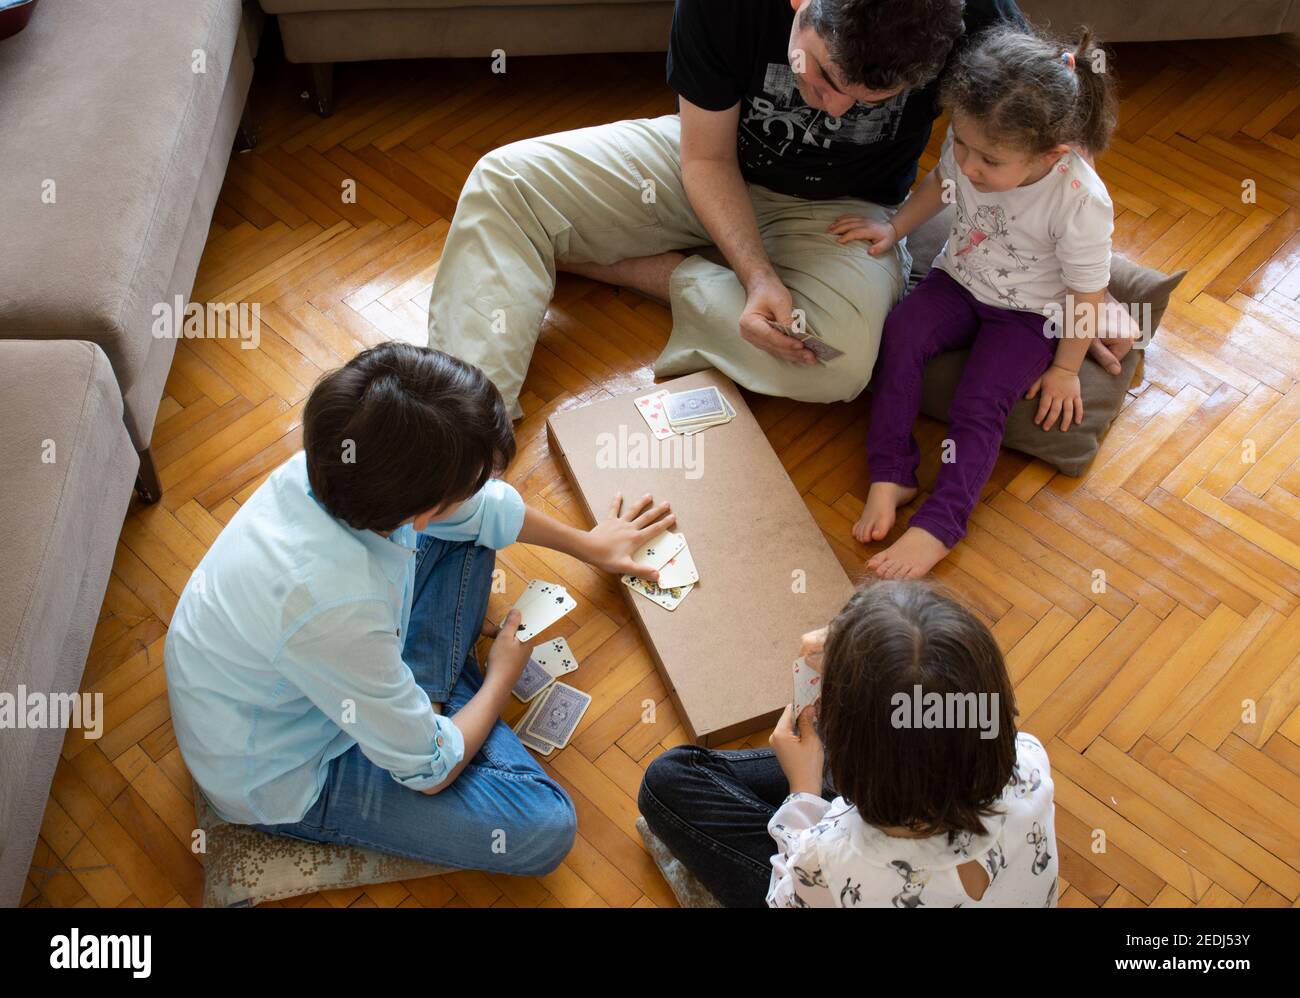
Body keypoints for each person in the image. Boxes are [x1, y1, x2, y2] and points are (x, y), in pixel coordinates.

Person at [164, 341, 675, 876]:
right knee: (542, 828)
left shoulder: (339, 463)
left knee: (477, 535)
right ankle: (430, 703)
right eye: (461, 490)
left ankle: (424, 701)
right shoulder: (338, 609)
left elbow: (482, 513)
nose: (476, 496)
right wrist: (502, 676)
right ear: (423, 511)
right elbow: (430, 773)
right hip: (283, 771)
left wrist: (587, 544)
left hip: (281, 667)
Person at [428, 0, 1029, 419]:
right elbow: (706, 159)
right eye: (822, 78)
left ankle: (629, 264)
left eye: (868, 101)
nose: (837, 112)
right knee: (506, 182)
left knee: (839, 366)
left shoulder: (969, 10)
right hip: (712, 163)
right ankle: (462, 431)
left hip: (845, 215)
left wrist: (1073, 281)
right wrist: (757, 277)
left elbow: (1046, 121)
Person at [840, 25, 1119, 577]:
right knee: (899, 338)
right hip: (957, 279)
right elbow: (942, 185)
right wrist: (895, 228)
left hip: (1030, 317)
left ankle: (942, 522)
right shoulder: (971, 141)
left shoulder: (1080, 200)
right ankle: (891, 471)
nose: (969, 165)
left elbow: (1086, 292)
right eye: (961, 143)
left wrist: (1065, 369)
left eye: (988, 160)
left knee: (979, 403)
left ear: (1052, 153)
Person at [638, 580, 1059, 907]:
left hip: (829, 874)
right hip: (909, 812)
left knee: (667, 781)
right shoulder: (1030, 761)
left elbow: (784, 895)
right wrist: (851, 646)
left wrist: (802, 789)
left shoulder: (829, 861)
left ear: (843, 752)